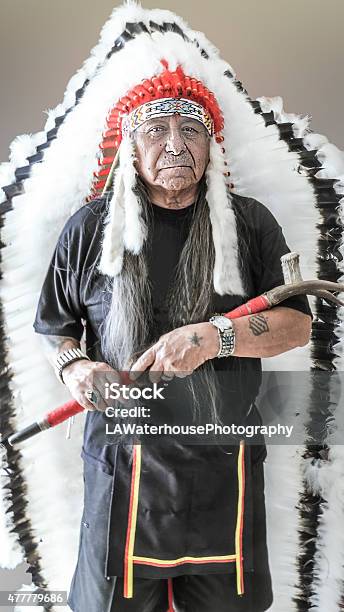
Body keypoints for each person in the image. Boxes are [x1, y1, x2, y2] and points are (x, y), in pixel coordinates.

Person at [33, 65, 313, 611]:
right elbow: (55, 327)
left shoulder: (251, 224)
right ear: (129, 150)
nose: (175, 144)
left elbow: (297, 324)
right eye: (156, 131)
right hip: (122, 469)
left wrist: (216, 338)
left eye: (191, 130)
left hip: (222, 468)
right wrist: (76, 368)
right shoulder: (89, 229)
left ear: (212, 147)